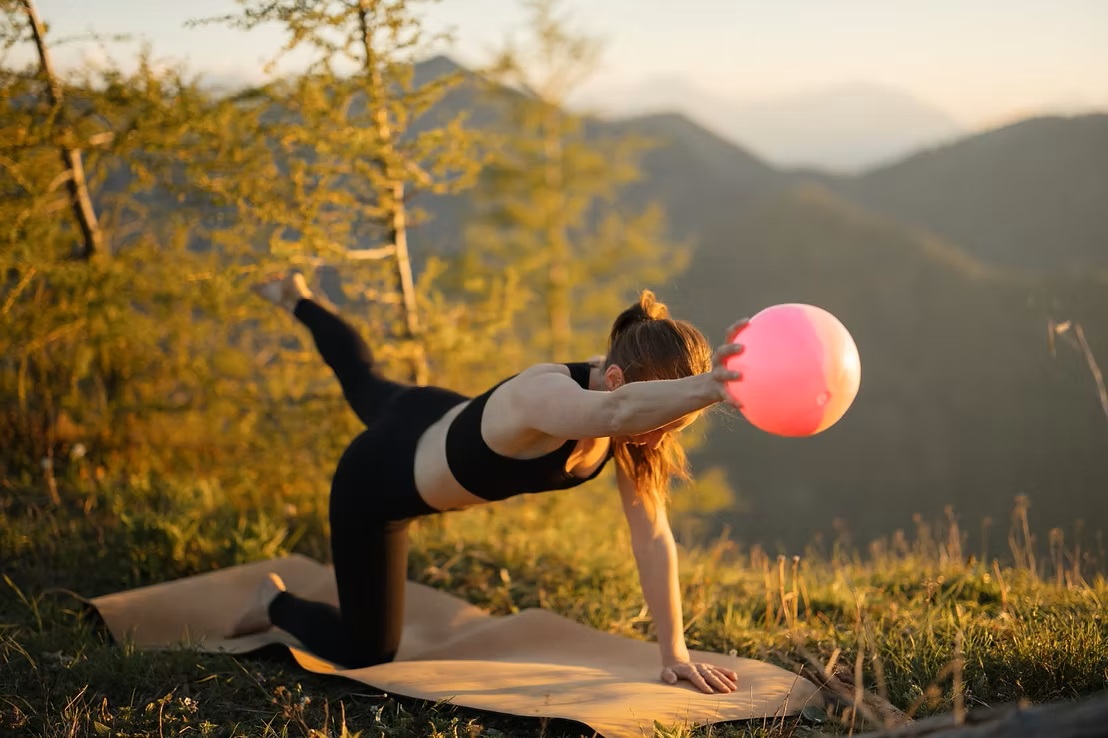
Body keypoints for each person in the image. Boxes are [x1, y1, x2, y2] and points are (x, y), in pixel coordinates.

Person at [231, 272, 747, 695]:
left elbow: (652, 536)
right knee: (365, 653)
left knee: (363, 377)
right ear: (613, 381)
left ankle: (295, 297)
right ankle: (272, 601)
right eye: (660, 425)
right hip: (375, 483)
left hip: (429, 412)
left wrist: (674, 653)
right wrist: (709, 386)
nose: (657, 442)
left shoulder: (633, 407)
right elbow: (618, 412)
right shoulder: (542, 393)